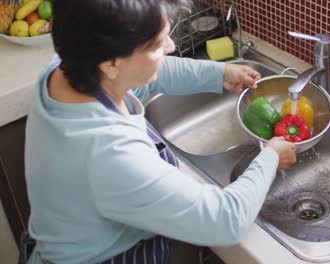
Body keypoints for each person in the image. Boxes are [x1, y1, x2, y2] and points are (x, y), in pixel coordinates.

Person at [22, 0, 297, 263]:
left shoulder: (70, 65)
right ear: (111, 63)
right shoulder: (107, 155)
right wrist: (270, 156)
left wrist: (218, 73)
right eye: (156, 44)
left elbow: (145, 78)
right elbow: (225, 220)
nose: (171, 46)